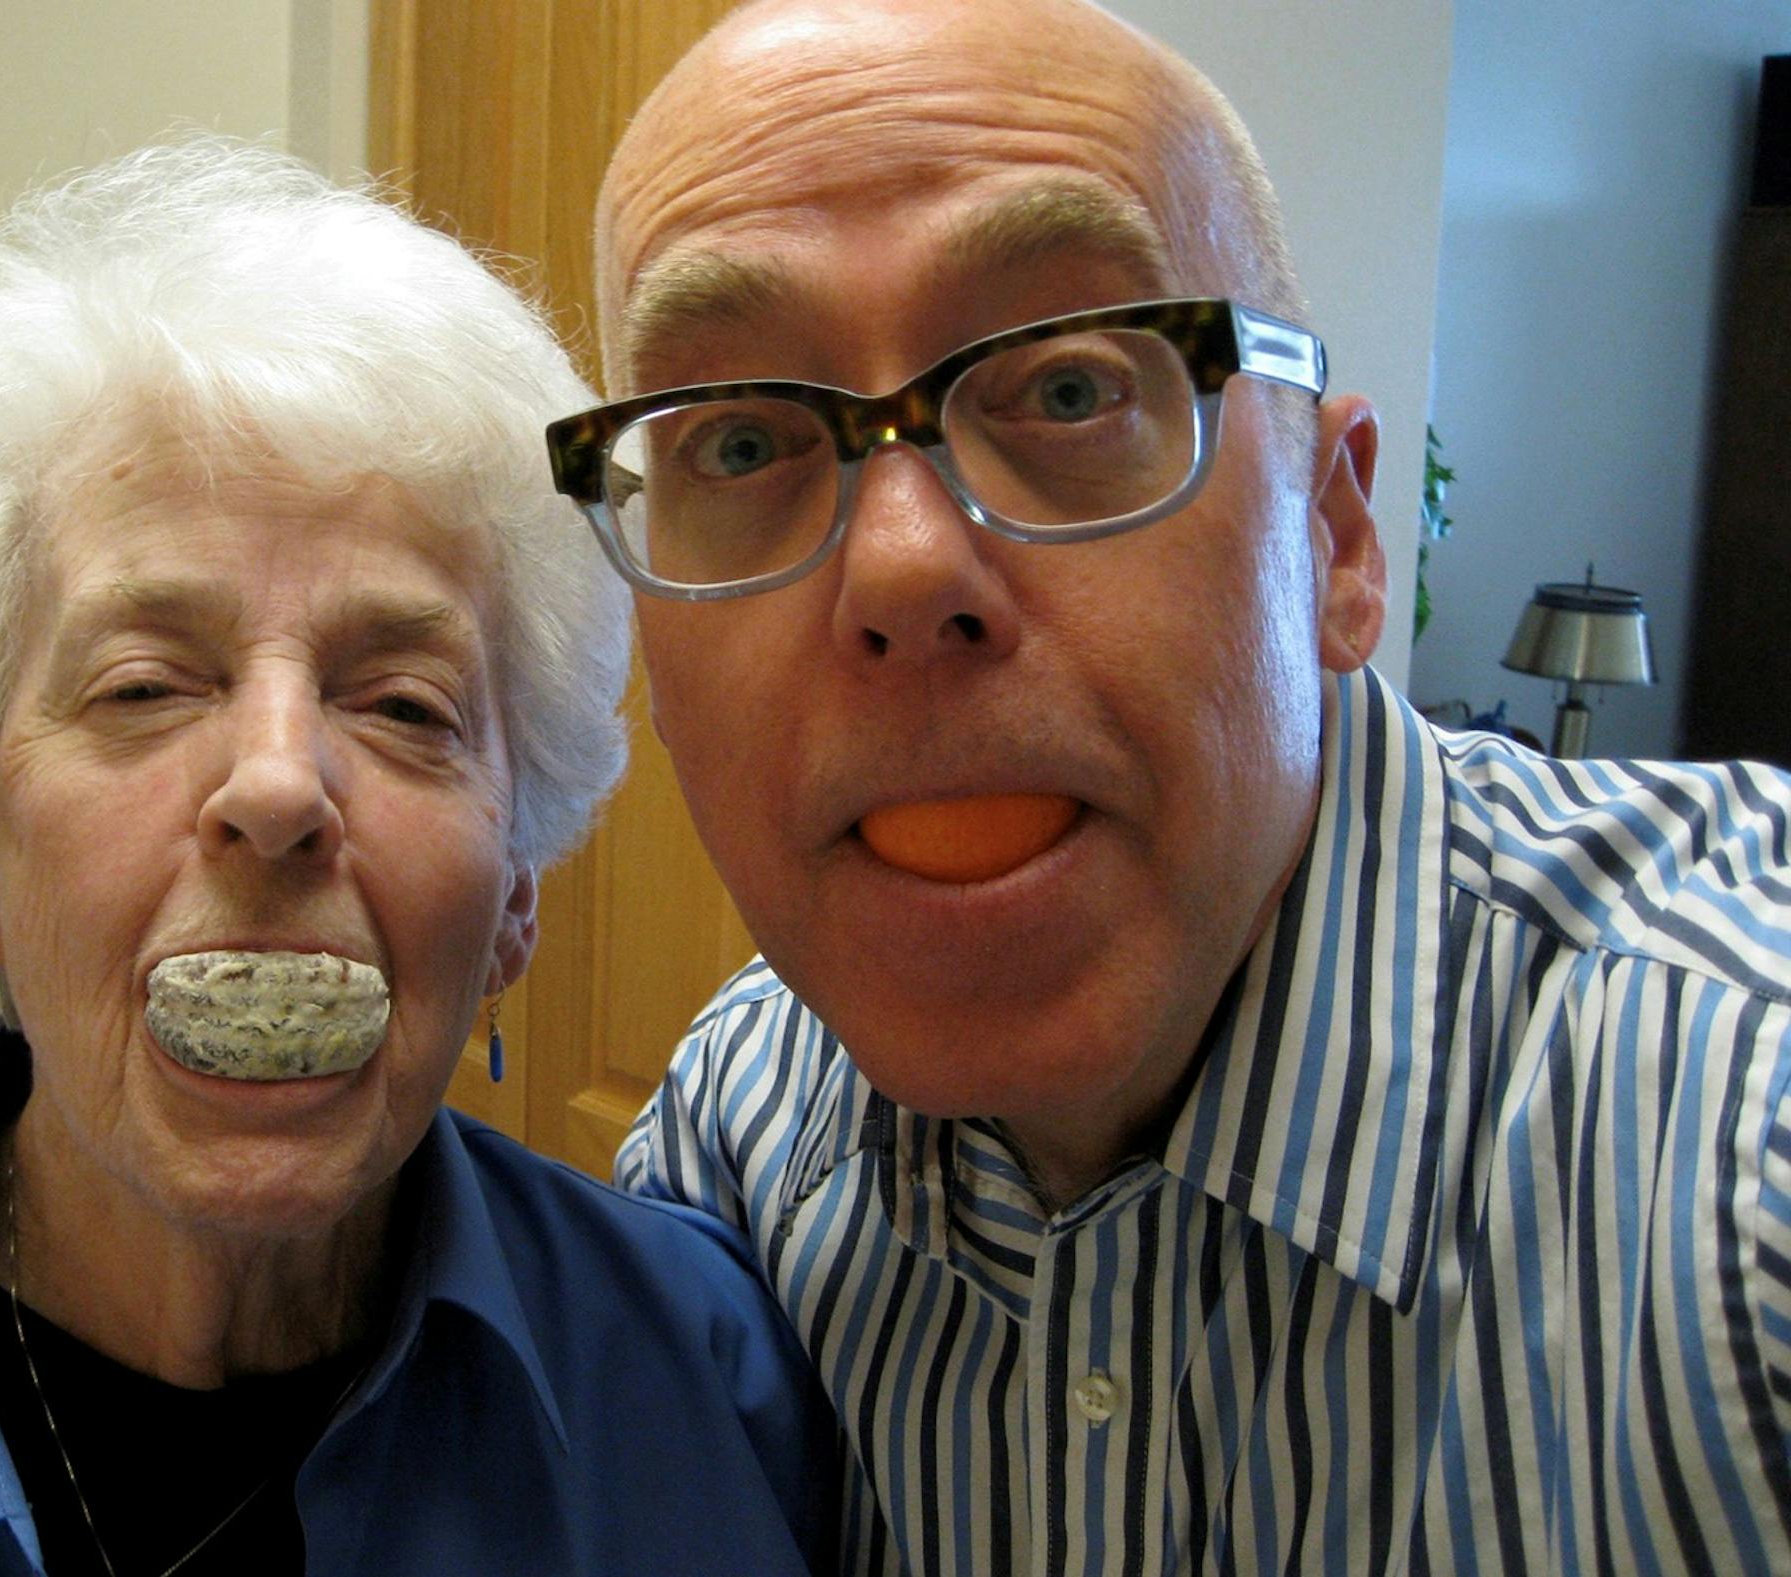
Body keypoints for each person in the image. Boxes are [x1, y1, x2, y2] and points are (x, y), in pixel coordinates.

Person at [551, 0, 1791, 1569]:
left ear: (1338, 538)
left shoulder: (1742, 1151)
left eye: (1070, 391)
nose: (906, 563)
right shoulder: (735, 1146)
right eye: (736, 444)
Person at [0, 138, 837, 1576]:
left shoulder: (722, 1390)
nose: (278, 785)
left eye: (404, 703)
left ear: (516, 887)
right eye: (144, 684)